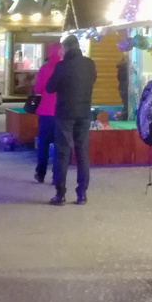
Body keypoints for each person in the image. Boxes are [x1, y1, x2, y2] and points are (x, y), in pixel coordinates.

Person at [44, 34, 96, 204]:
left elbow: (50, 87)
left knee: (63, 153)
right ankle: (82, 194)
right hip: (83, 113)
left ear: (65, 48)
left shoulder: (62, 66)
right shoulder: (89, 64)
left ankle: (60, 194)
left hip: (65, 114)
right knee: (82, 153)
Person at [30, 41, 62, 184]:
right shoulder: (64, 68)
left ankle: (41, 173)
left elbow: (37, 89)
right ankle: (57, 175)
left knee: (43, 144)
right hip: (61, 112)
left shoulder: (44, 69)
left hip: (45, 112)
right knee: (59, 145)